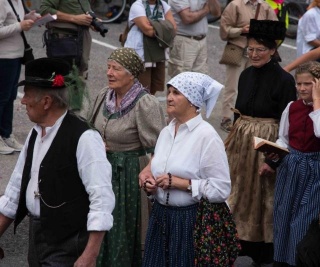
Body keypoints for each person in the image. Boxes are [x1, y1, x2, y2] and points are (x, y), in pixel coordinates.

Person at [0, 57, 115, 266]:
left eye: (27, 95)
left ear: (46, 101)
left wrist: (90, 255)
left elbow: (102, 198)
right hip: (37, 238)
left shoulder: (85, 138)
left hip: (69, 243)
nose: (23, 101)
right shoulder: (35, 135)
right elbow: (14, 192)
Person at [140, 72, 234, 266]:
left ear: (192, 101)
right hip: (160, 218)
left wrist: (181, 183)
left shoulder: (207, 136)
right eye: (168, 92)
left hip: (189, 223)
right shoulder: (166, 132)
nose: (169, 97)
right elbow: (160, 172)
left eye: (176, 93)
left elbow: (221, 189)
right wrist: (152, 188)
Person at [224, 19, 297, 266]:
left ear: (273, 50)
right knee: (239, 192)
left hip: (266, 145)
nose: (254, 54)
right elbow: (239, 112)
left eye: (260, 50)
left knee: (262, 197)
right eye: (251, 49)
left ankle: (264, 251)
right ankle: (237, 242)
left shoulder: (284, 80)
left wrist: (273, 160)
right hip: (241, 145)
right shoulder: (245, 75)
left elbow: (287, 124)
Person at [88, 47, 166, 267]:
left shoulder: (145, 103)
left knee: (121, 227)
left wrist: (151, 173)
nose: (109, 73)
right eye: (108, 67)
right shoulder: (104, 95)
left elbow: (160, 146)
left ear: (131, 74)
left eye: (116, 68)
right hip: (102, 170)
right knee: (98, 223)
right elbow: (89, 126)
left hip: (129, 174)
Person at [260, 61, 320, 267]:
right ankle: (281, 261)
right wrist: (273, 156)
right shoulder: (291, 107)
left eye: (308, 84)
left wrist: (317, 102)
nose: (302, 88)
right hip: (291, 167)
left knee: (302, 221)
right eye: (299, 83)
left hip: (314, 170)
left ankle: (298, 261)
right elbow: (283, 138)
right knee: (283, 217)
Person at [219, 0, 277, 133]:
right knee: (232, 86)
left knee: (254, 84)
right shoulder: (235, 5)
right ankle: (226, 118)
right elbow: (224, 30)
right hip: (238, 49)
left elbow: (275, 28)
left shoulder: (265, 7)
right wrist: (241, 30)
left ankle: (246, 116)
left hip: (258, 52)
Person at [0, 0, 40, 155]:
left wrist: (30, 17)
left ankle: (7, 134)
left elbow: (16, 19)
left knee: (10, 97)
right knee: (2, 97)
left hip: (16, 55)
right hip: (4, 57)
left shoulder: (17, 1)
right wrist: (19, 26)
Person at [125, 0, 176, 95]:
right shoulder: (138, 5)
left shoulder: (163, 5)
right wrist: (164, 26)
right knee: (140, 88)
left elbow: (173, 29)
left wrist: (153, 24)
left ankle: (148, 108)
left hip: (158, 53)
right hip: (140, 55)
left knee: (154, 87)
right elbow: (148, 30)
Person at [40, 0, 94, 78]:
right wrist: (74, 18)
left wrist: (91, 21)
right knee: (63, 79)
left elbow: (81, 8)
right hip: (64, 42)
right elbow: (45, 10)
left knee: (79, 80)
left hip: (81, 39)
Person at [167, 0, 221, 78]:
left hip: (202, 40)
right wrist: (206, 9)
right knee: (181, 80)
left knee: (200, 78)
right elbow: (188, 18)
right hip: (184, 41)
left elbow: (217, 13)